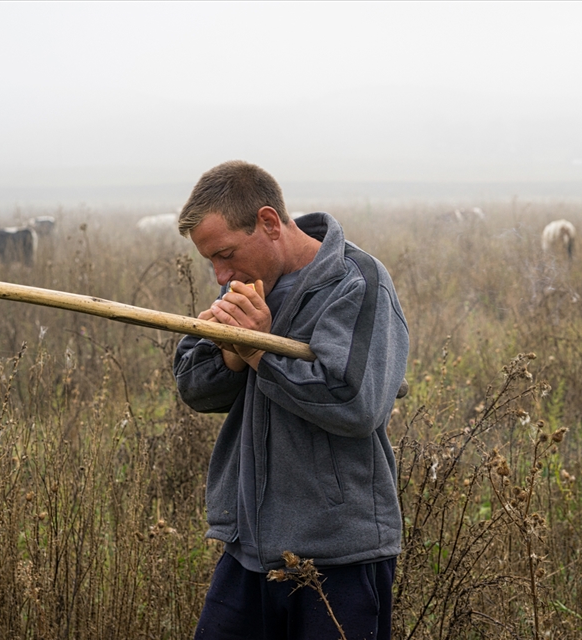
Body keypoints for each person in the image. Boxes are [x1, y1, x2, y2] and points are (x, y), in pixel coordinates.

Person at [172, 160, 409, 640]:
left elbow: (356, 404)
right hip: (249, 549)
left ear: (269, 223)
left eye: (225, 253)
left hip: (339, 556)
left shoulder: (357, 283)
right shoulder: (244, 283)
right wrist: (234, 358)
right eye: (210, 261)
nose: (219, 274)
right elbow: (193, 384)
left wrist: (260, 351)